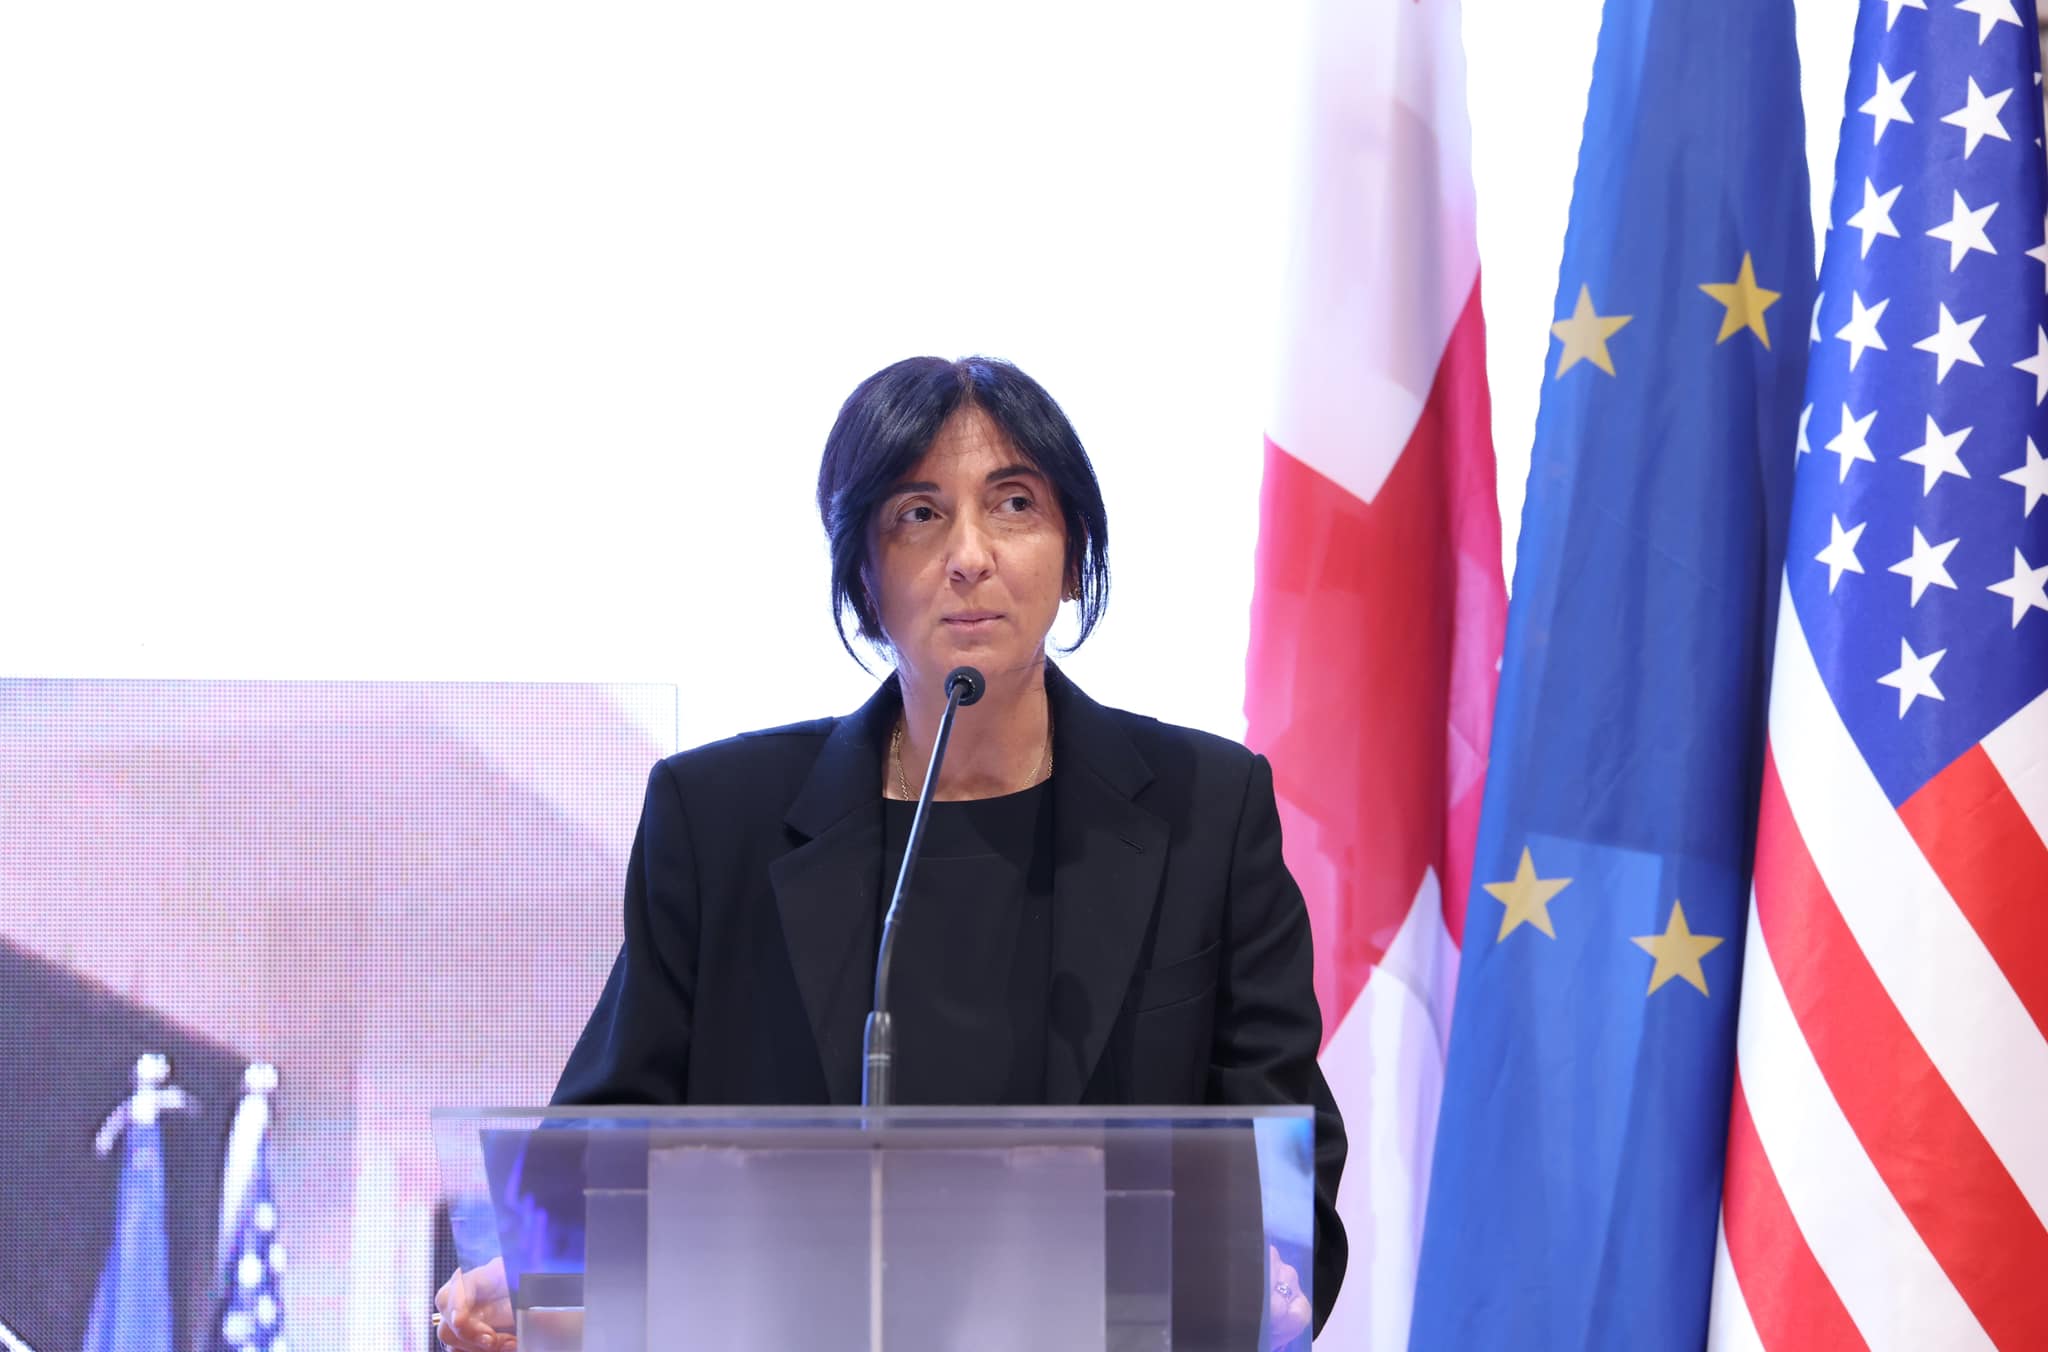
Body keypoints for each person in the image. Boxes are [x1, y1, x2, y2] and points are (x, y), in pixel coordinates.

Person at [436, 355, 1346, 1350]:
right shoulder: (719, 821)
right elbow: (600, 1151)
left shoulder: (1205, 809)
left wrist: (1266, 1274)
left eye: (1013, 503)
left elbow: (1283, 1158)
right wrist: (530, 1279)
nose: (969, 556)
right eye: (919, 513)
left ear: (1072, 556)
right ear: (863, 579)